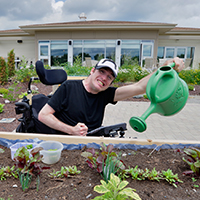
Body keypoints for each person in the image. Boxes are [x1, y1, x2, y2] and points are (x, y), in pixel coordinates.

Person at [38, 57, 185, 136]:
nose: (104, 78)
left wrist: (163, 68)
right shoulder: (69, 87)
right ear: (92, 71)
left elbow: (139, 87)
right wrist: (71, 130)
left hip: (92, 146)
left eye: (109, 77)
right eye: (102, 72)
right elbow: (43, 115)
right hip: (65, 143)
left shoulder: (106, 94)